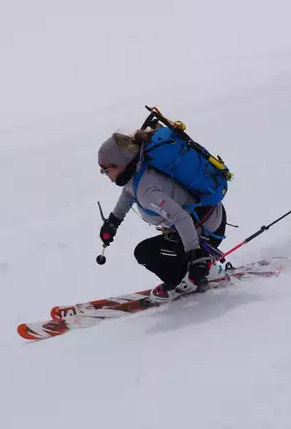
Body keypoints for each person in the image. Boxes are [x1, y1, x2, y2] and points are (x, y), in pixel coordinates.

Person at [97, 130, 228, 303]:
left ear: (120, 165)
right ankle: (204, 268)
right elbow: (128, 195)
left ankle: (186, 281)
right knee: (161, 248)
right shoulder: (139, 170)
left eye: (105, 170)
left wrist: (196, 257)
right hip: (206, 217)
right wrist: (113, 222)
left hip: (207, 227)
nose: (106, 175)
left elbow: (181, 218)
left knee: (146, 253)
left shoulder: (147, 190)